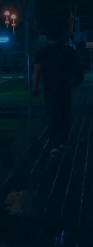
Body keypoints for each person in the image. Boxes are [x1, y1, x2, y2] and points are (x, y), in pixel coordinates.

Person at [32, 16, 84, 155]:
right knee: (64, 114)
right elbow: (78, 67)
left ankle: (54, 143)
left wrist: (35, 86)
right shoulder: (68, 51)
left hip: (49, 88)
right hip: (65, 86)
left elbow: (37, 71)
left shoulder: (42, 52)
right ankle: (63, 142)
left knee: (52, 114)